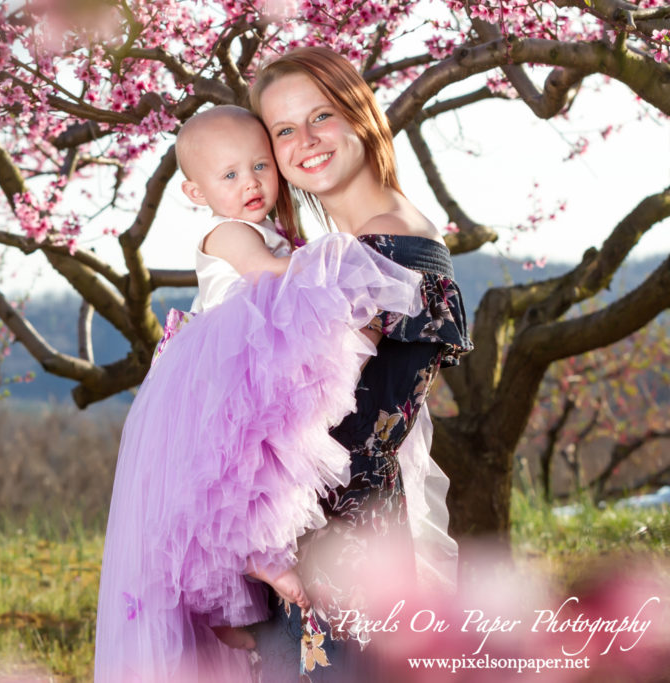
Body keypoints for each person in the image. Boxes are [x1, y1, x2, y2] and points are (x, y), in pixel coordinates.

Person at [93, 104, 426, 682]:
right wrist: (336, 257)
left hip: (247, 367)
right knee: (250, 471)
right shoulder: (227, 232)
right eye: (229, 175)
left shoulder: (272, 229)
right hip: (226, 373)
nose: (249, 183)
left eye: (259, 167)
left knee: (274, 461)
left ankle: (238, 619)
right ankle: (264, 562)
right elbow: (271, 274)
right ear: (196, 192)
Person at [247, 46, 473, 679]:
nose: (306, 140)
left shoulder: (383, 250)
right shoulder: (356, 248)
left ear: (361, 116)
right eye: (284, 129)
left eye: (321, 116)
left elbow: (338, 430)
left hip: (334, 561)